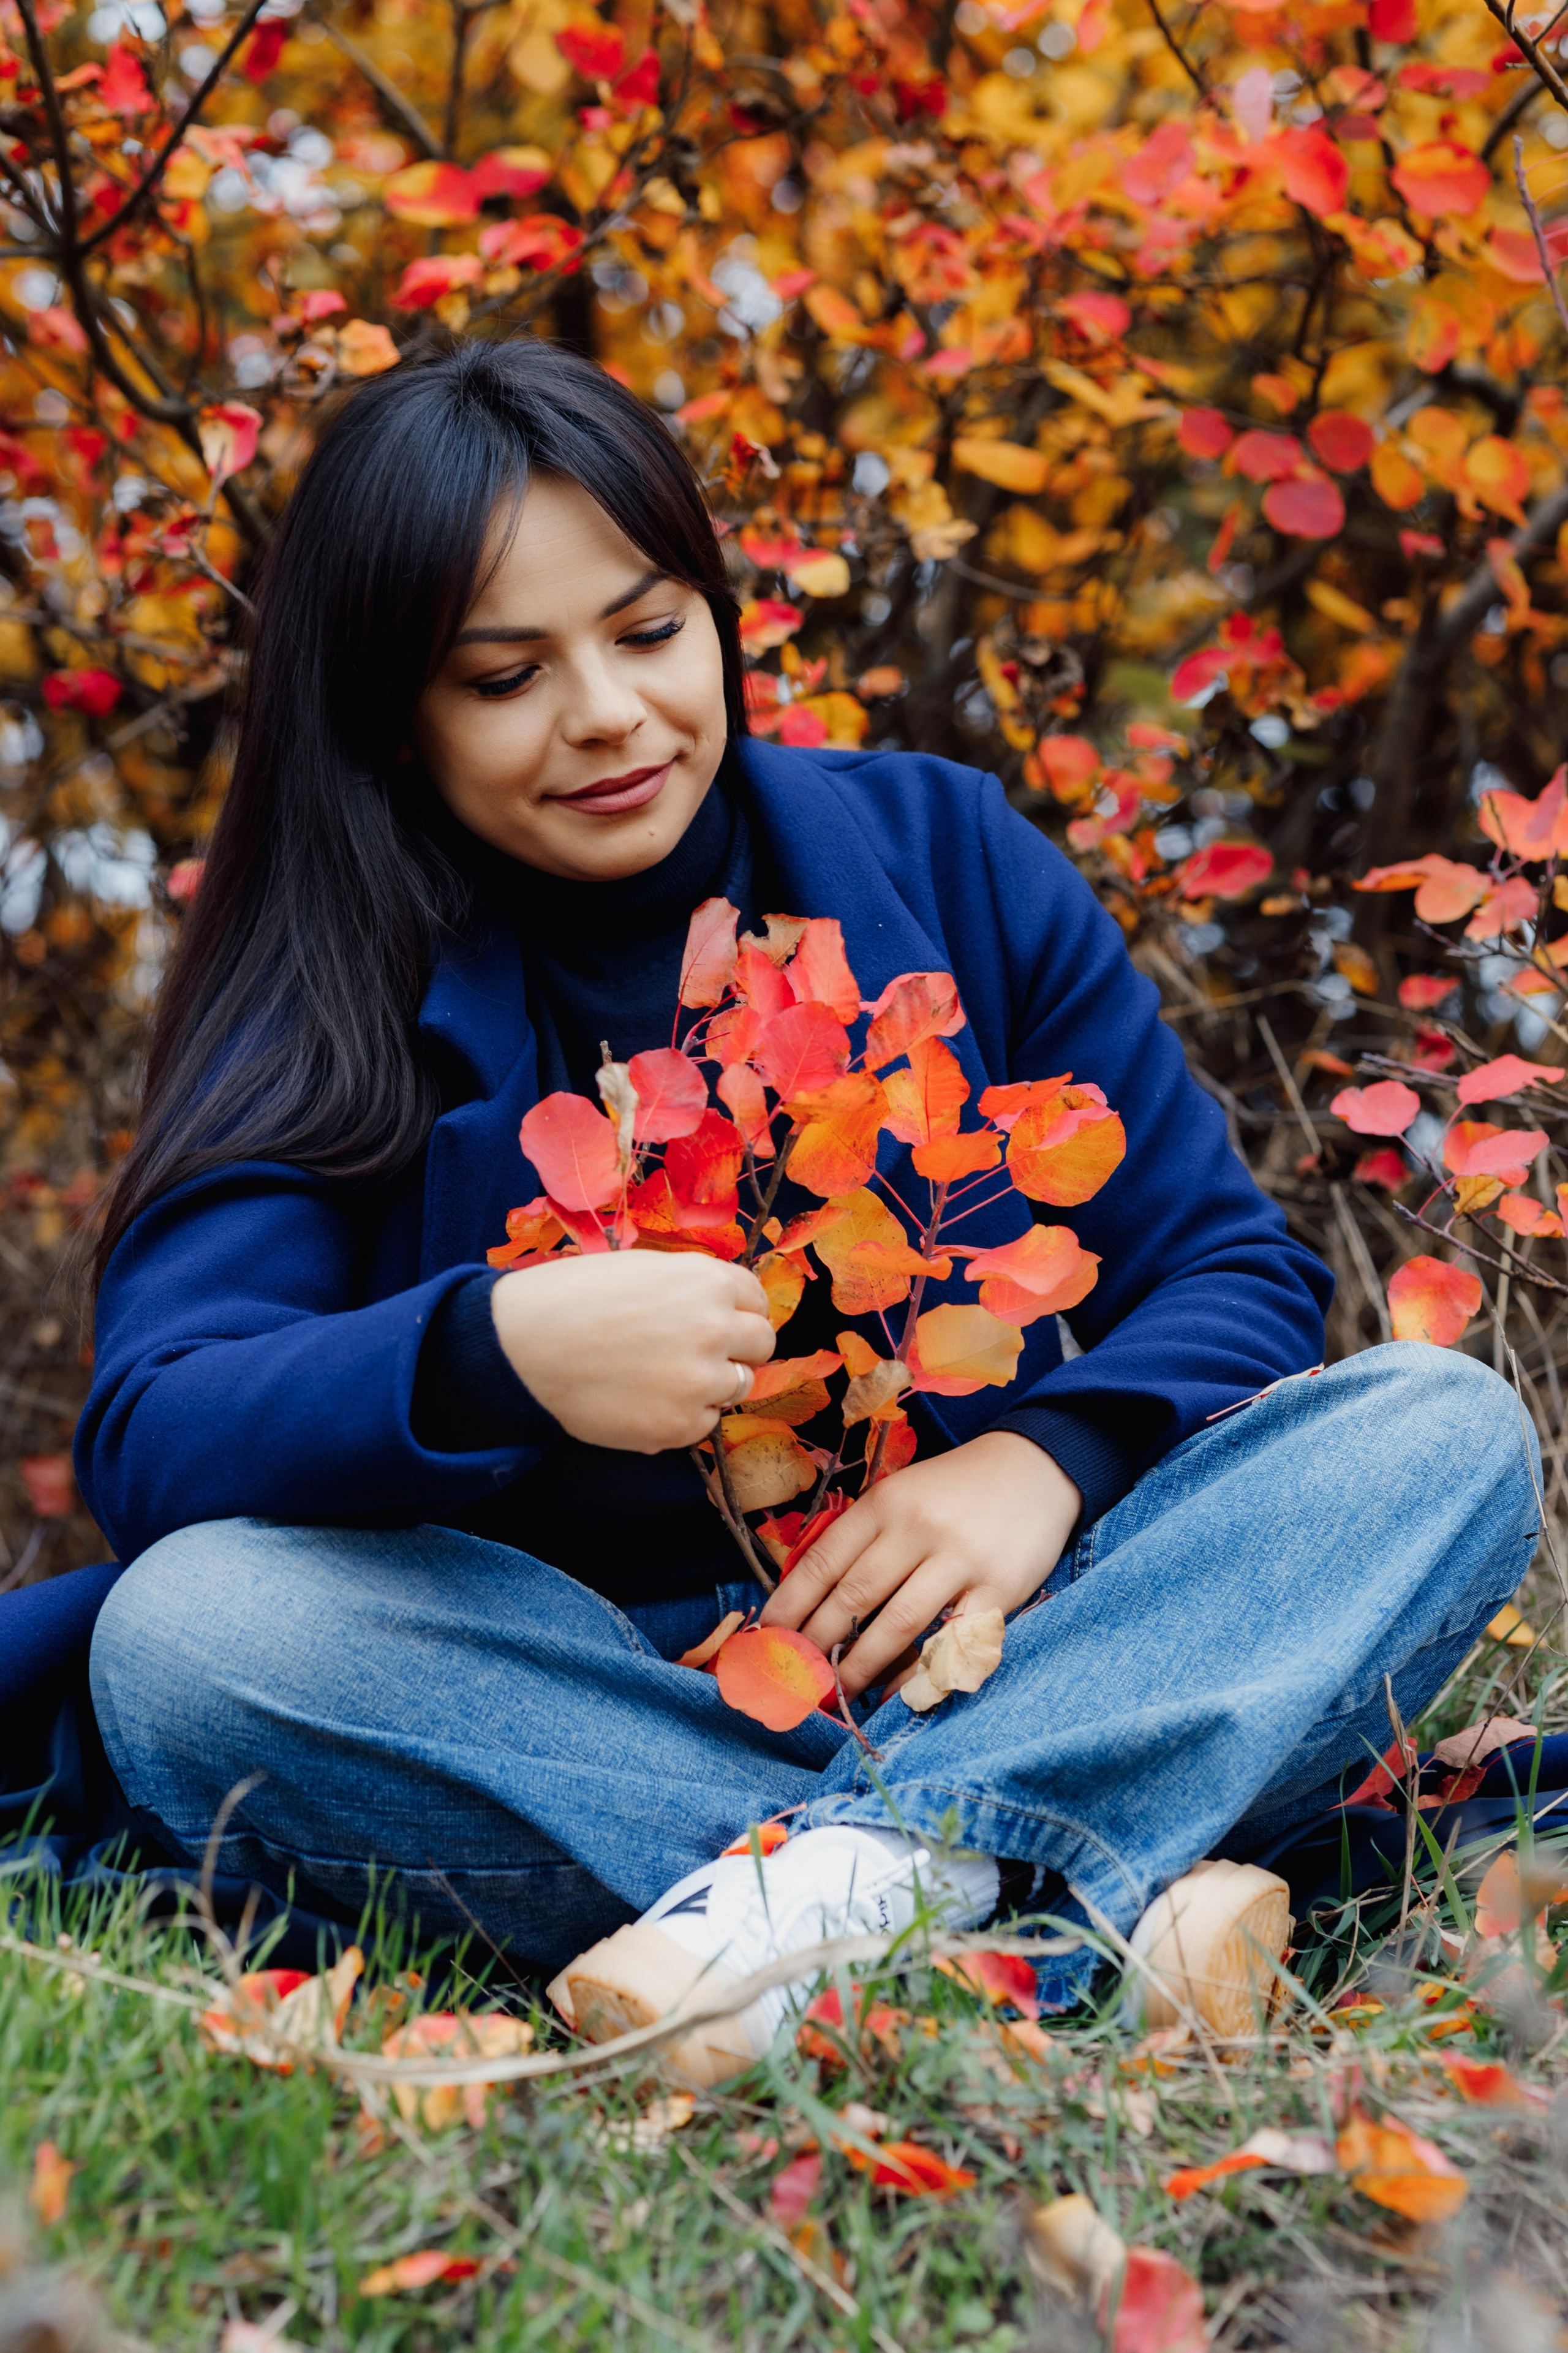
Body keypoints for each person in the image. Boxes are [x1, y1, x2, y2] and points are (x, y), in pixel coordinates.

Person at [81, 339, 1539, 2081]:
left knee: (1440, 1427)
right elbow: (159, 1426)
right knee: (189, 1638)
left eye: (647, 630)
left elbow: (1229, 1268)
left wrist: (1041, 1463)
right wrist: (487, 1354)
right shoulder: (326, 973)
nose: (609, 712)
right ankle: (1020, 1901)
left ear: (715, 614)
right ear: (395, 710)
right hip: (580, 1693)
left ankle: (818, 1920)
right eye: (504, 675)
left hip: (1003, 1649)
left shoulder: (940, 849)